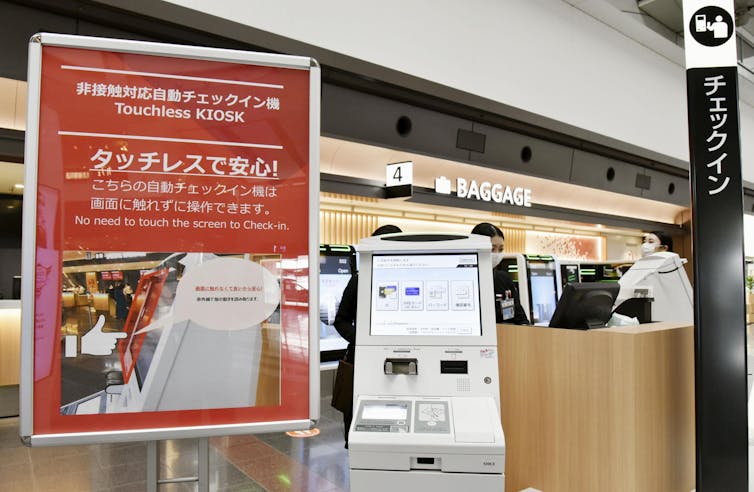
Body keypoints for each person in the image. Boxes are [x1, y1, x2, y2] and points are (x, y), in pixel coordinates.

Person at [333, 224, 402, 447]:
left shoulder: (408, 277)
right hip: (362, 361)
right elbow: (340, 320)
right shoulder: (360, 279)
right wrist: (363, 341)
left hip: (398, 361)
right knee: (358, 417)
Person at [470, 222, 530, 325]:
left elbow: (520, 317)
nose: (497, 254)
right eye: (492, 249)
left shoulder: (503, 279)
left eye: (501, 249)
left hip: (506, 336)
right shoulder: (467, 280)